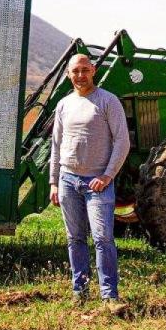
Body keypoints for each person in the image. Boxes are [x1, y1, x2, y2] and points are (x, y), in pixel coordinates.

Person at [49, 54, 131, 304]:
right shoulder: (64, 104)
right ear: (68, 75)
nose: (80, 75)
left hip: (98, 183)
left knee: (103, 238)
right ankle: (80, 291)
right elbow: (56, 144)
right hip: (68, 180)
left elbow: (122, 141)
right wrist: (54, 182)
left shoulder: (108, 101)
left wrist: (107, 175)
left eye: (85, 70)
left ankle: (109, 296)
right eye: (75, 71)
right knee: (74, 238)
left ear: (93, 70)